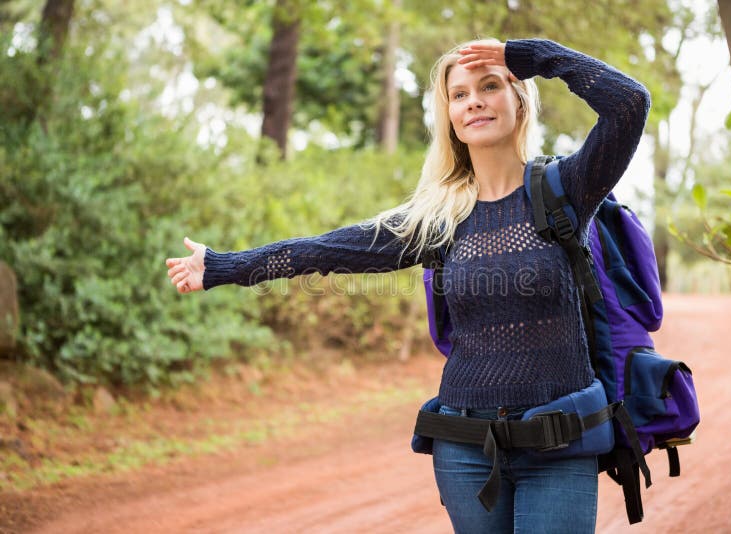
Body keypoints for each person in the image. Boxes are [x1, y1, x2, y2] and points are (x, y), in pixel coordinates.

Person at [165, 37, 649, 533]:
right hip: (465, 450)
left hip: (561, 443)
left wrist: (531, 56)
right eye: (458, 95)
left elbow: (630, 103)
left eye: (489, 86)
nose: (474, 101)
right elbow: (324, 251)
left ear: (519, 102)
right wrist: (222, 267)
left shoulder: (567, 188)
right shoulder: (436, 219)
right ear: (449, 118)